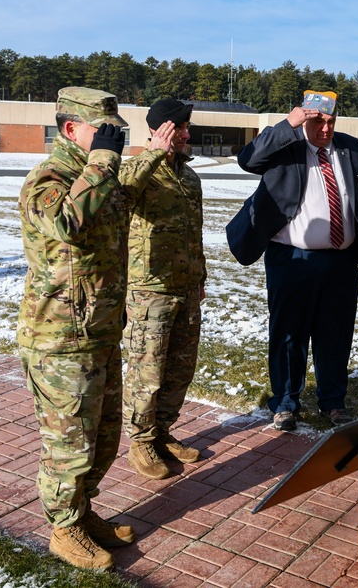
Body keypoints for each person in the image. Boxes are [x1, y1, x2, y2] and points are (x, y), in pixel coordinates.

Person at [17, 87, 173, 570]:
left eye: (115, 134)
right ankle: (63, 531)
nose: (112, 141)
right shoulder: (47, 179)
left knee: (102, 438)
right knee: (69, 445)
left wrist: (148, 155)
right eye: (102, 132)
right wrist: (103, 159)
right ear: (70, 130)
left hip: (100, 331)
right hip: (59, 340)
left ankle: (83, 514)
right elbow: (67, 221)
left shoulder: (97, 177)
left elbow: (122, 197)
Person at [226, 90, 358, 432]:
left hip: (341, 262)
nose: (325, 129)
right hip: (292, 258)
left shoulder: (351, 148)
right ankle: (285, 403)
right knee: (288, 333)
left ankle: (333, 401)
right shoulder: (286, 144)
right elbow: (248, 159)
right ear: (304, 119)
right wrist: (289, 124)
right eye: (318, 122)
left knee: (336, 333)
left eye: (330, 121)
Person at [118, 98, 207, 480]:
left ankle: (162, 432)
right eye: (176, 129)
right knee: (147, 371)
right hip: (149, 289)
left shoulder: (189, 177)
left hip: (185, 287)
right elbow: (118, 194)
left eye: (186, 128)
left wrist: (200, 279)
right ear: (155, 131)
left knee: (179, 368)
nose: (184, 135)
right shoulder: (136, 170)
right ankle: (140, 442)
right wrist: (152, 154)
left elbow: (195, 234)